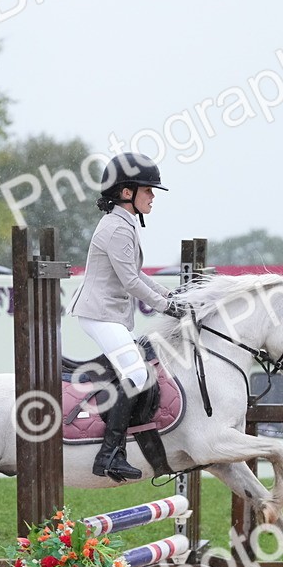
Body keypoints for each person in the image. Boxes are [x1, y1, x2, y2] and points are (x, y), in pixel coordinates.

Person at [67, 153, 188, 482]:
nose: (152, 197)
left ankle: (115, 450)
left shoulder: (124, 223)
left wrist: (168, 294)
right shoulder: (116, 229)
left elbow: (136, 274)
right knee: (137, 375)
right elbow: (130, 282)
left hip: (108, 314)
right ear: (126, 193)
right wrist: (167, 308)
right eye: (148, 190)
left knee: (138, 373)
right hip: (99, 314)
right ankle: (108, 455)